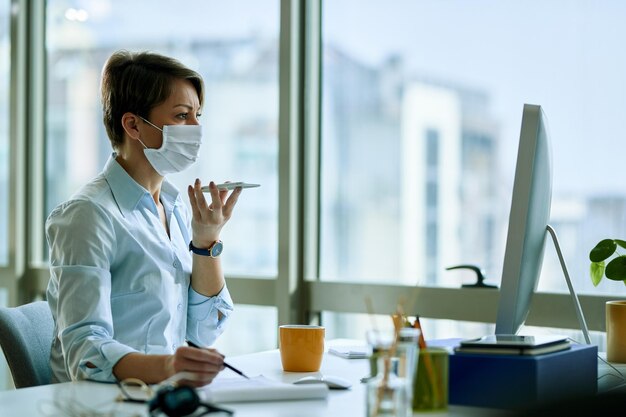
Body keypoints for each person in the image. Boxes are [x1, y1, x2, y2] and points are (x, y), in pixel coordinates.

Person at [46, 50, 242, 387]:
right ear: (133, 124)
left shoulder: (175, 208)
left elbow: (204, 331)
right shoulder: (88, 216)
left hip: (162, 398)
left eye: (198, 115)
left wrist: (206, 241)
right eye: (182, 116)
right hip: (106, 406)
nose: (196, 128)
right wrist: (167, 367)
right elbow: (85, 354)